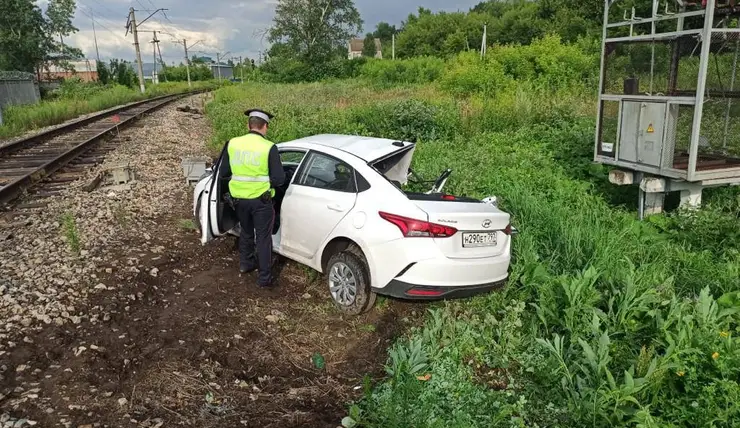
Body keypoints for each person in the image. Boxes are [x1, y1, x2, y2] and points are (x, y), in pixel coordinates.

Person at [219, 108, 285, 287]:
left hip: (239, 200)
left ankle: (245, 265)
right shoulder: (268, 147)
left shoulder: (232, 144)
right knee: (263, 238)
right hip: (261, 201)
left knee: (246, 232)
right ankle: (264, 278)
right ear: (265, 127)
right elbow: (279, 179)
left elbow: (223, 172)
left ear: (248, 125)